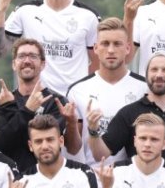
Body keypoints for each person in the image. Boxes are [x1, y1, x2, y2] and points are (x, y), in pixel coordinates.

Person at [0, 0, 101, 95]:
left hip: (74, 103)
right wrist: (0, 12)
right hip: (35, 101)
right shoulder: (25, 11)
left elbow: (99, 62)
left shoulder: (88, 16)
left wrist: (81, 89)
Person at [89, 52, 165, 173]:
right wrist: (93, 131)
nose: (159, 74)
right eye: (154, 69)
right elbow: (100, 155)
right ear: (146, 75)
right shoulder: (129, 113)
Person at [63, 18, 147, 166]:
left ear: (128, 48)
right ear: (95, 48)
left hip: (131, 181)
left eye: (117, 44)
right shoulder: (77, 90)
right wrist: (70, 123)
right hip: (92, 179)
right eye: (105, 43)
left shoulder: (144, 88)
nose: (111, 50)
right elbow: (72, 148)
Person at [0, 37, 67, 177]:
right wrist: (26, 111)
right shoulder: (2, 102)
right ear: (14, 64)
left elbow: (44, 143)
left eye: (33, 56)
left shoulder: (56, 101)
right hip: (9, 180)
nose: (27, 61)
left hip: (46, 179)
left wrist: (17, 113)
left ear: (42, 64)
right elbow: (0, 144)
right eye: (22, 56)